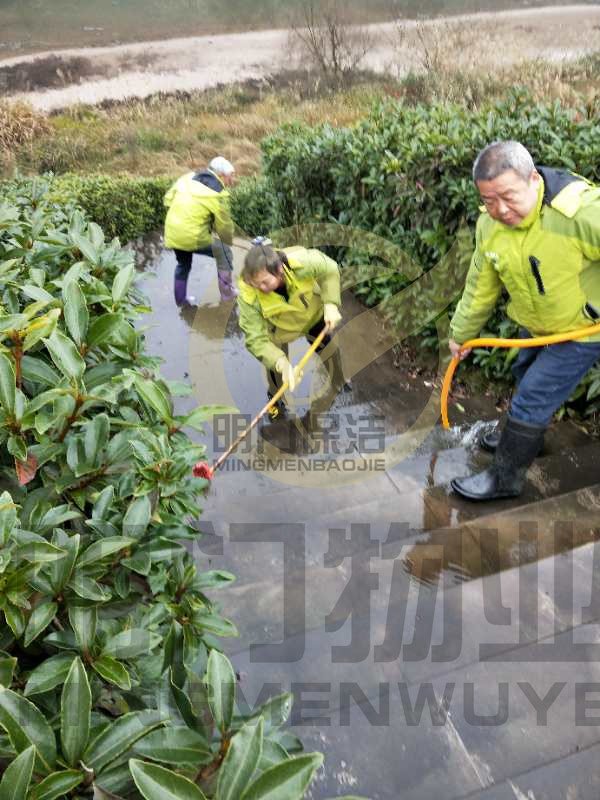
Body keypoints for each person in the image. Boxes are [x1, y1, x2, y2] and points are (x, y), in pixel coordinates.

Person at [449, 140, 600, 501]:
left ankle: (505, 479)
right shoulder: (490, 227)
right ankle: (524, 437)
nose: (500, 209)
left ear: (533, 179)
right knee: (524, 377)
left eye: (508, 196)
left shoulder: (578, 213)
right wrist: (461, 334)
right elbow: (479, 288)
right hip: (534, 327)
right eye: (488, 200)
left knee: (532, 395)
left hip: (581, 331)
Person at [238, 239, 344, 419]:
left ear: (279, 271)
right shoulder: (249, 295)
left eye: (264, 282)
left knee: (329, 349)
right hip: (278, 332)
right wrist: (280, 362)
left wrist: (331, 304)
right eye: (256, 284)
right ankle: (275, 401)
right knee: (276, 372)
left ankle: (339, 381)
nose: (260, 288)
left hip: (311, 315)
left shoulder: (300, 262)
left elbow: (330, 269)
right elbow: (255, 338)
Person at [163, 156, 237, 306]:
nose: (232, 180)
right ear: (221, 175)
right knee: (224, 252)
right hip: (191, 236)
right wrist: (227, 240)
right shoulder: (217, 193)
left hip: (172, 232)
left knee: (183, 264)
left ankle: (181, 300)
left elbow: (168, 200)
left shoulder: (187, 178)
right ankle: (228, 295)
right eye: (231, 176)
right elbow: (224, 226)